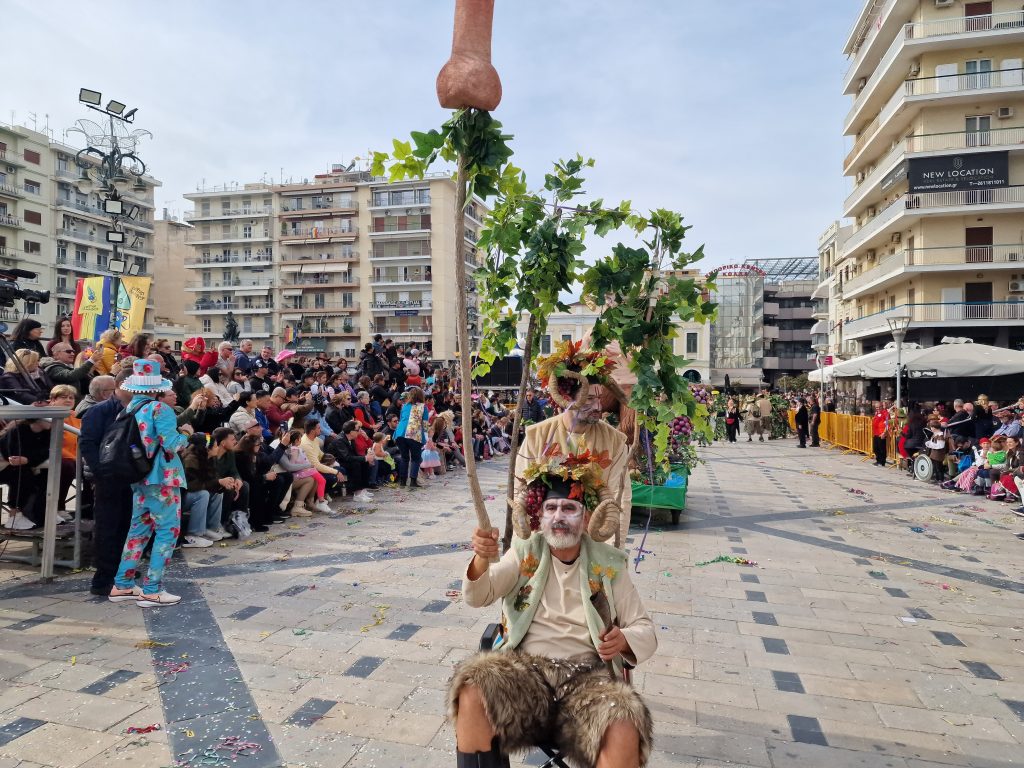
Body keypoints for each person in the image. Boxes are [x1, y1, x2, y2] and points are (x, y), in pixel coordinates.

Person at [449, 452, 656, 768]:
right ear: (540, 517)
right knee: (473, 690)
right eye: (551, 508)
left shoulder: (609, 563)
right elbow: (480, 595)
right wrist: (481, 559)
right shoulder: (524, 552)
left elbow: (644, 628)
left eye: (569, 508)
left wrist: (624, 639)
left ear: (587, 518)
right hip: (525, 676)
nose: (559, 516)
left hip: (589, 682)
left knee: (623, 723)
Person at [515, 341, 630, 546]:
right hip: (546, 541)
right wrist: (526, 547)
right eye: (588, 400)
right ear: (566, 398)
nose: (598, 406)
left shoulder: (615, 441)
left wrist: (614, 549)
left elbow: (620, 500)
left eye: (599, 399)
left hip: (593, 544)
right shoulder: (536, 436)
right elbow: (521, 492)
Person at [108, 360, 189, 607]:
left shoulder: (128, 408)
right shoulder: (159, 409)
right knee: (167, 531)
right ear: (156, 387)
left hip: (138, 477)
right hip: (162, 477)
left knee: (138, 531)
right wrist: (186, 435)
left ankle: (122, 584)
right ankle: (152, 589)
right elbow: (171, 444)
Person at [181, 433, 228, 548]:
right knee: (203, 494)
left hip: (193, 492)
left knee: (217, 493)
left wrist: (222, 483)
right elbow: (191, 486)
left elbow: (212, 479)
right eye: (216, 446)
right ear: (207, 449)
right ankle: (193, 535)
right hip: (182, 497)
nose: (218, 448)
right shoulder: (190, 460)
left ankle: (210, 529)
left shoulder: (208, 458)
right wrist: (217, 482)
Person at [280, 428, 331, 514]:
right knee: (319, 478)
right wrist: (306, 466)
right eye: (300, 438)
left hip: (303, 471)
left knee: (316, 479)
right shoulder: (294, 449)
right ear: (297, 440)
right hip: (298, 473)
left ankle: (310, 502)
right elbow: (293, 464)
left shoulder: (297, 449)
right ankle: (320, 501)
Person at [330, 420, 376, 501]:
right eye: (357, 430)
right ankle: (357, 493)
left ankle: (362, 489)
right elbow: (346, 457)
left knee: (364, 463)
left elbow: (354, 454)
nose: (359, 432)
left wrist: (366, 458)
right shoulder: (339, 440)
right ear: (351, 432)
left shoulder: (351, 438)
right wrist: (365, 458)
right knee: (356, 465)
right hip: (335, 462)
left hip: (344, 459)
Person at [395, 386, 430, 488]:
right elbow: (425, 424)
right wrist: (427, 438)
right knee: (416, 458)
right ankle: (413, 482)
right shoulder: (423, 407)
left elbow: (401, 419)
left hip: (400, 433)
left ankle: (402, 481)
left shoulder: (404, 406)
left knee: (404, 458)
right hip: (414, 433)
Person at [871, 402, 889, 467]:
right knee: (875, 448)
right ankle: (878, 460)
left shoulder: (885, 413)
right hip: (876, 433)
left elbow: (887, 424)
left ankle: (882, 462)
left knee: (882, 448)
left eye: (878, 407)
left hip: (881, 433)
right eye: (876, 407)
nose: (877, 408)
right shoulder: (877, 413)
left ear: (882, 406)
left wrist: (884, 433)